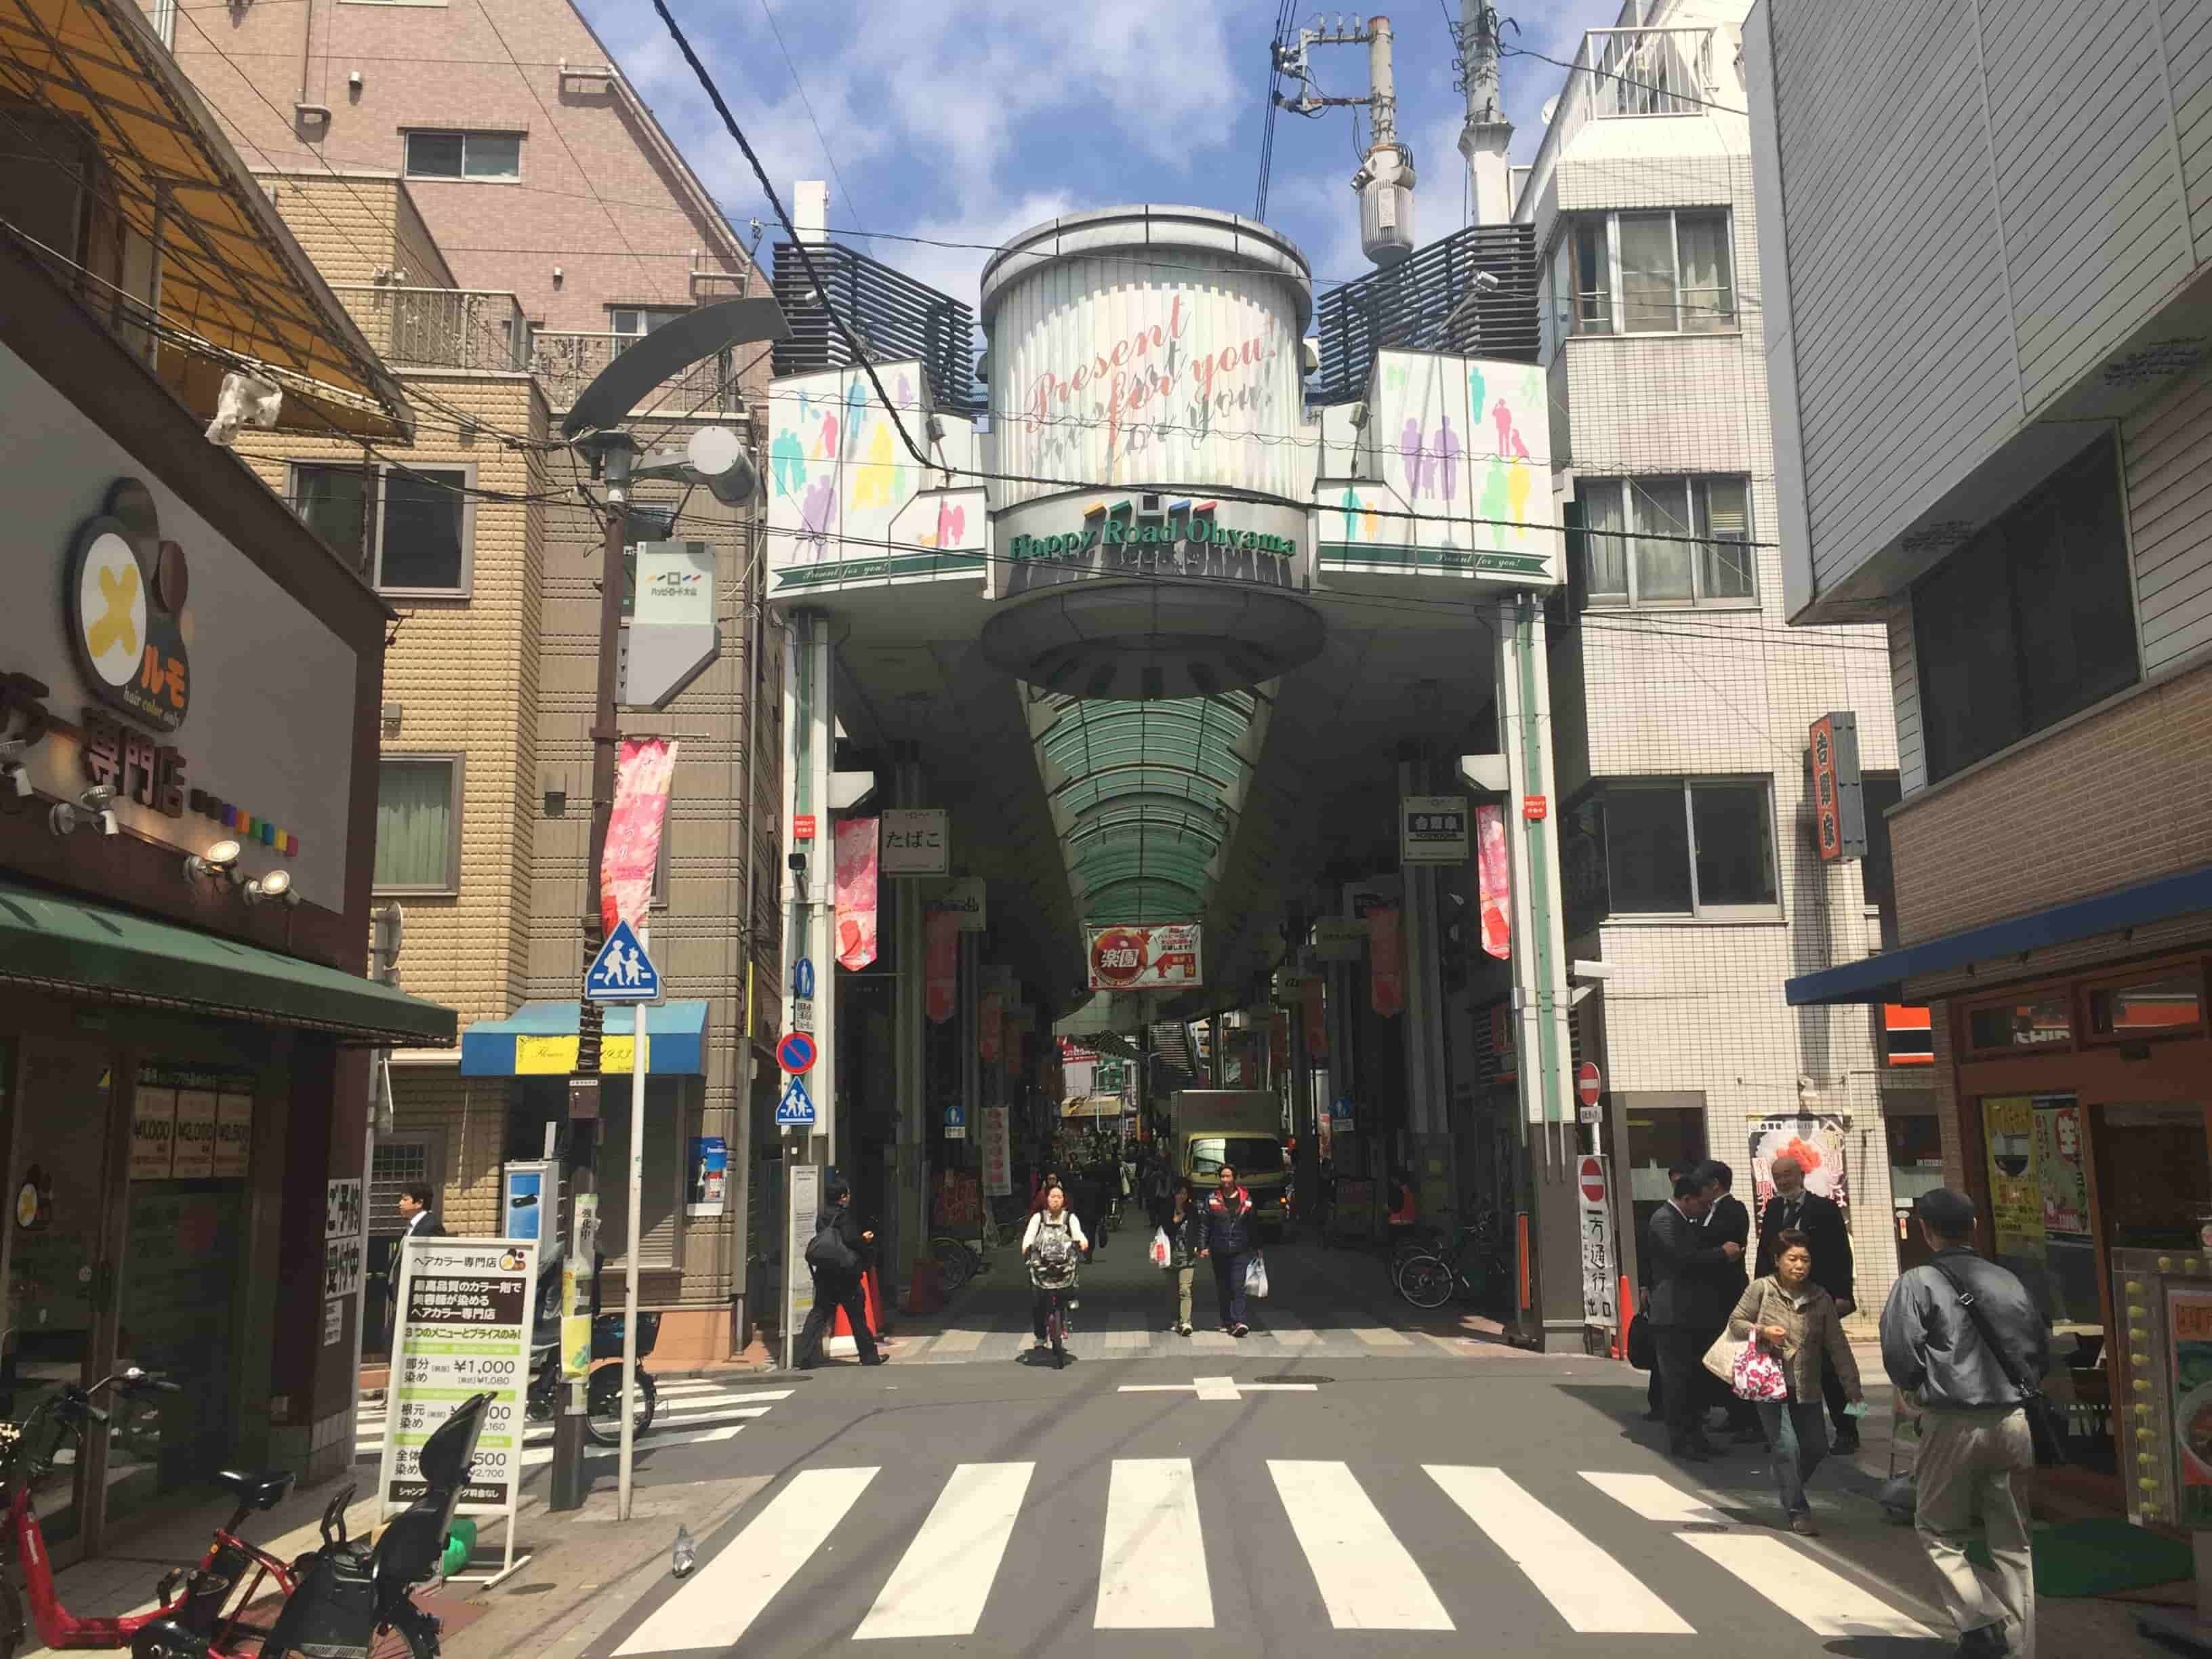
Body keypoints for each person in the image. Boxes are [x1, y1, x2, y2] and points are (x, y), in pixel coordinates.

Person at [1881, 1189, 2046, 1659]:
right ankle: (2020, 1648)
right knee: (2013, 1541)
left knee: (1938, 1530)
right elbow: (2039, 1346)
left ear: (1924, 1229)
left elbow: (1899, 1352)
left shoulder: (1918, 1281)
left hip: (1951, 1417)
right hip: (2012, 1416)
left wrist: (1917, 1388)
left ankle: (1981, 1619)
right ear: (1973, 1224)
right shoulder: (2008, 1279)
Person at [1727, 1227, 1864, 1536]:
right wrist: (1762, 1331)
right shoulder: (1762, 1289)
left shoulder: (1821, 1298)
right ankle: (1798, 1510)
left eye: (1805, 1259)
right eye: (1792, 1259)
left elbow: (1837, 1346)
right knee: (1787, 1447)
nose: (1799, 1266)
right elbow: (1735, 1323)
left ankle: (1787, 1480)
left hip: (1807, 1385)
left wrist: (1853, 1391)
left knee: (1815, 1447)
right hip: (1768, 1382)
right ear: (1777, 1260)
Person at [1757, 1152, 1860, 1452]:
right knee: (1786, 1371)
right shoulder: (1774, 1209)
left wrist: (1843, 1295)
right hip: (1783, 1303)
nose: (1783, 1182)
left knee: (1835, 1371)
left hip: (1820, 1300)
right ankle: (1791, 1435)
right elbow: (1766, 1255)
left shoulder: (1825, 1209)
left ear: (1801, 1175)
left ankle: (1849, 1430)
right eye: (1778, 1178)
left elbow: (1842, 1254)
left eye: (1788, 1175)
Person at [1645, 1170, 1740, 1460]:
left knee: (1691, 1379)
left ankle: (1695, 1437)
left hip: (1688, 1314)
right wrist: (1722, 1254)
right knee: (1675, 1381)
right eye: (1702, 1204)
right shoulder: (1664, 1220)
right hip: (1672, 1314)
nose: (1705, 1210)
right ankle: (1682, 1441)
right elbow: (1683, 1259)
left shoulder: (1683, 1219)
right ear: (1686, 1199)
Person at [1697, 1161, 1761, 1443]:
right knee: (1722, 1356)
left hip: (1730, 1292)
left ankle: (1749, 1419)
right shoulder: (1708, 1212)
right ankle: (1735, 1415)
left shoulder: (1733, 1209)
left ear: (1715, 1185)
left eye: (1703, 1185)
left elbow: (1721, 1242)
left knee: (1737, 1355)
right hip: (1711, 1294)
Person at [798, 1182, 884, 1368]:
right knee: (857, 1317)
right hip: (846, 1276)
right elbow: (851, 1240)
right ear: (843, 1197)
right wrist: (865, 1239)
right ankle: (869, 1357)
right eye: (847, 1195)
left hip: (825, 1274)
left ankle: (804, 1356)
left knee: (819, 1314)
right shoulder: (844, 1216)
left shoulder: (822, 1216)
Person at [1021, 1185, 1090, 1351]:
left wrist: (1083, 1242)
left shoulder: (1070, 1218)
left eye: (1059, 1197)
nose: (1056, 1200)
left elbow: (1078, 1234)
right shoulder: (1039, 1218)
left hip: (1064, 1265)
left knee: (1069, 1289)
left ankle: (1066, 1314)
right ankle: (1040, 1336)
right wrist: (1026, 1246)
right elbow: (1029, 1235)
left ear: (1064, 1199)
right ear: (1047, 1199)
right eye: (1053, 1196)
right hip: (1041, 1266)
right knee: (1037, 1300)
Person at [1200, 1164, 1255, 1338]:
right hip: (1219, 1249)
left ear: (1234, 1178)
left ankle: (1239, 1320)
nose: (1225, 1180)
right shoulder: (1212, 1198)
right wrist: (1203, 1246)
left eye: (1228, 1176)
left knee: (1238, 1285)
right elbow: (1205, 1224)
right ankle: (1227, 1320)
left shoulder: (1246, 1197)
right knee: (1223, 1286)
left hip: (1240, 1249)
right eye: (1222, 1176)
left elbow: (1253, 1224)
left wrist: (1258, 1247)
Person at [1159, 1181, 1205, 1335]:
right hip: (1170, 1255)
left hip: (1188, 1255)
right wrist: (1177, 1220)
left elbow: (1199, 1229)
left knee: (1185, 1289)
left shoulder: (1192, 1210)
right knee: (1173, 1291)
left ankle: (1186, 1322)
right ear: (1174, 1193)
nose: (1182, 1196)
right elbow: (1166, 1228)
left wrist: (1201, 1246)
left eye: (1185, 1193)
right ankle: (1175, 1319)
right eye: (1179, 1193)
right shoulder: (1166, 1208)